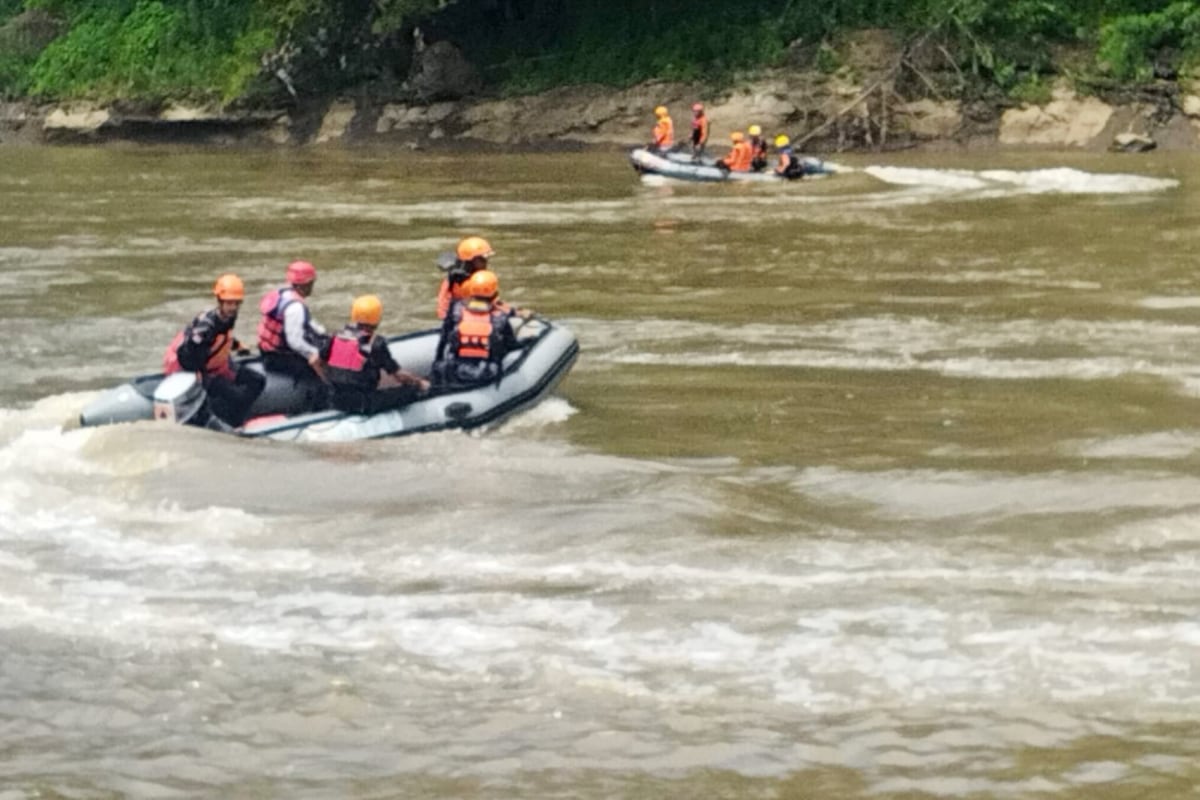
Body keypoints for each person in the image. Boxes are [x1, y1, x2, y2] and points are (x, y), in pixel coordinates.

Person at [162, 273, 265, 427]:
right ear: (220, 301)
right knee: (236, 395)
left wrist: (237, 346)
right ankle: (231, 423)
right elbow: (188, 353)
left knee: (258, 380)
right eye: (229, 303)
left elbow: (222, 338)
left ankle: (234, 418)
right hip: (197, 370)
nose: (233, 307)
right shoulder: (206, 326)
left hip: (216, 365)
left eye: (236, 303)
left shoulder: (228, 318)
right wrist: (199, 375)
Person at [324, 294, 430, 414]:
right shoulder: (376, 344)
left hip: (335, 400)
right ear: (377, 319)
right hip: (363, 403)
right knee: (409, 391)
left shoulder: (335, 337)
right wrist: (420, 382)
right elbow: (399, 375)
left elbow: (321, 361)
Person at [434, 269, 524, 386]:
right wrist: (526, 343)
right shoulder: (500, 316)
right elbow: (511, 345)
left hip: (455, 373)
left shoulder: (456, 309)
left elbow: (444, 338)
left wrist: (437, 362)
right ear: (495, 294)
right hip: (484, 375)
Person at [257, 259, 329, 383]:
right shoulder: (296, 308)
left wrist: (322, 333)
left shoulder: (282, 294)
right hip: (279, 359)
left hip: (267, 352)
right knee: (319, 359)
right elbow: (294, 342)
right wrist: (314, 353)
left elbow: (306, 323)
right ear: (304, 284)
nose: (312, 286)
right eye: (311, 283)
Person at [437, 235, 493, 320]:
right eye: (482, 259)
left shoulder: (481, 277)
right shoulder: (455, 281)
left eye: (486, 259)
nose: (485, 263)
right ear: (470, 261)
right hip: (463, 320)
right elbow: (443, 310)